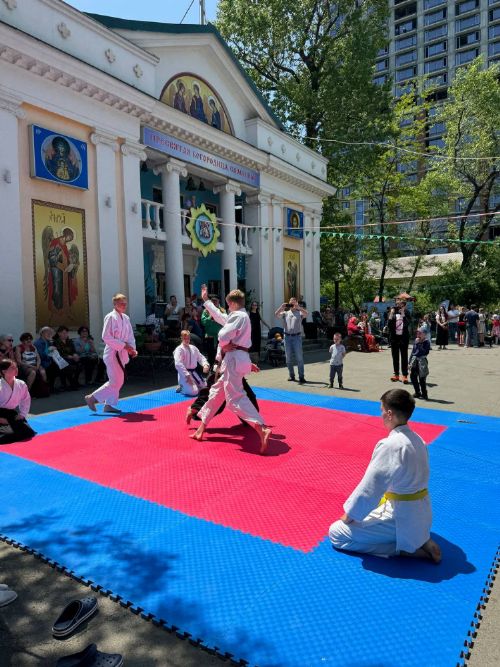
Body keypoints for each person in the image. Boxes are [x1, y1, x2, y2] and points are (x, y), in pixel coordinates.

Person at [329, 389, 441, 563]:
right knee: (376, 511)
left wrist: (350, 514)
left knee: (336, 533)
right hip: (422, 515)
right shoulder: (418, 439)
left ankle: (405, 550)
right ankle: (420, 538)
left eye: (381, 410)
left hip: (401, 517)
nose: (380, 415)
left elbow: (371, 487)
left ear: (389, 414)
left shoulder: (390, 445)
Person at [189, 285, 272, 455]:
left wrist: (224, 345)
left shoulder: (238, 316)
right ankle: (201, 429)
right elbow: (221, 317)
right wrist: (206, 301)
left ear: (233, 303)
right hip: (238, 359)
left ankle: (261, 427)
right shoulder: (241, 316)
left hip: (233, 360)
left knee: (235, 398)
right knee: (216, 394)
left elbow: (223, 335)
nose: (227, 308)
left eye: (228, 304)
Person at [85, 293, 137, 414]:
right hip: (113, 353)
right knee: (116, 381)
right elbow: (106, 337)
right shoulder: (110, 317)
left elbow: (130, 336)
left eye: (125, 303)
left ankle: (109, 405)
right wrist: (124, 346)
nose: (124, 305)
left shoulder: (126, 318)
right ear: (115, 304)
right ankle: (92, 398)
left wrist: (132, 349)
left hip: (122, 353)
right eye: (121, 303)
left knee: (118, 380)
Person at [0, 359, 36, 444]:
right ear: (4, 371)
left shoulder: (21, 384)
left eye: (16, 367)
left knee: (28, 432)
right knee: (7, 435)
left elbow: (26, 399)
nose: (16, 369)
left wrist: (22, 414)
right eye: (12, 368)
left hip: (11, 414)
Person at [274, 297, 308, 383]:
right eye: (291, 302)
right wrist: (281, 307)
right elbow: (276, 314)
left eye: (294, 302)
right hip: (287, 337)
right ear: (289, 303)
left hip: (297, 337)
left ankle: (301, 376)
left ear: (296, 303)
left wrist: (299, 307)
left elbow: (306, 314)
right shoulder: (285, 313)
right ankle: (291, 375)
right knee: (288, 358)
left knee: (299, 358)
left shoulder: (299, 313)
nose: (292, 304)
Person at [174, 330, 210, 397]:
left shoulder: (193, 348)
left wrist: (205, 364)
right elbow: (178, 364)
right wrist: (187, 375)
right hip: (184, 374)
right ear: (181, 338)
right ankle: (182, 388)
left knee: (205, 387)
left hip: (194, 372)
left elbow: (200, 357)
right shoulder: (179, 349)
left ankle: (192, 385)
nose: (187, 340)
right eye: (185, 338)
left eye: (188, 338)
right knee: (194, 392)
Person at [387, 302, 411, 384]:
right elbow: (389, 325)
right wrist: (391, 313)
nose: (400, 306)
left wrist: (403, 314)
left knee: (404, 357)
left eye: (402, 305)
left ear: (405, 306)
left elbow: (407, 323)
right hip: (394, 338)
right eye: (398, 305)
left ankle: (404, 375)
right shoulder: (392, 313)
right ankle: (396, 374)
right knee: (395, 357)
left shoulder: (407, 312)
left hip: (403, 338)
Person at [201, 294, 225, 365]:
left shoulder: (222, 310)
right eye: (212, 301)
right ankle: (211, 369)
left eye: (215, 301)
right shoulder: (206, 311)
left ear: (219, 301)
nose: (214, 302)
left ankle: (219, 369)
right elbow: (203, 322)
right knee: (211, 355)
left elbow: (225, 322)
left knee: (220, 356)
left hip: (220, 338)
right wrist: (210, 317)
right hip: (210, 337)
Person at [409, 328, 430, 400]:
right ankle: (417, 392)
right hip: (415, 361)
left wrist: (418, 344)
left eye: (420, 333)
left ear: (424, 334)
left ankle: (424, 394)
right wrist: (409, 362)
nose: (418, 334)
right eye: (417, 333)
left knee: (422, 378)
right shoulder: (416, 340)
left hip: (422, 361)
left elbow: (424, 352)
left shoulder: (426, 342)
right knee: (413, 377)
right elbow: (413, 352)